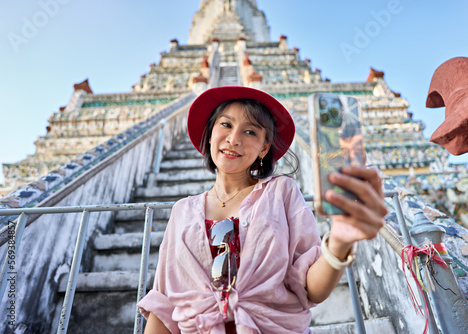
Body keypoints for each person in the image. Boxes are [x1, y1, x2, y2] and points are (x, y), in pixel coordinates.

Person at [137, 86, 387, 333]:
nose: (234, 139)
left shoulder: (282, 193)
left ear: (264, 148)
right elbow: (165, 306)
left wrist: (340, 241)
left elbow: (311, 288)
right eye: (225, 125)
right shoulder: (182, 211)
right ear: (210, 133)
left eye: (250, 132)